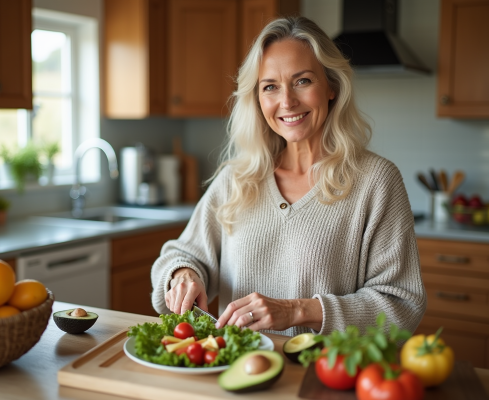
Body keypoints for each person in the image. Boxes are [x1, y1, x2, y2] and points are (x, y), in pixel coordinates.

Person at [151, 16, 427, 337]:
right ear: (257, 98)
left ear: (332, 87)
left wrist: (298, 311)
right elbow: (183, 254)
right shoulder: (237, 179)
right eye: (270, 87)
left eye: (303, 81)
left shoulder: (376, 181)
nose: (287, 102)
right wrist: (184, 275)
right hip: (238, 373)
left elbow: (402, 303)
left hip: (325, 377)